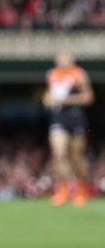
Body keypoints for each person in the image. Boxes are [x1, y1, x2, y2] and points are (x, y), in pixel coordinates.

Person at [44, 50, 94, 207]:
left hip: (75, 117)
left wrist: (66, 100)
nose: (62, 60)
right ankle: (63, 189)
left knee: (77, 156)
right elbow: (50, 95)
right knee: (59, 153)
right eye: (60, 57)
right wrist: (48, 99)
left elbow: (88, 97)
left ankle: (81, 189)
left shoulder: (79, 74)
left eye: (65, 57)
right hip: (58, 117)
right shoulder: (51, 74)